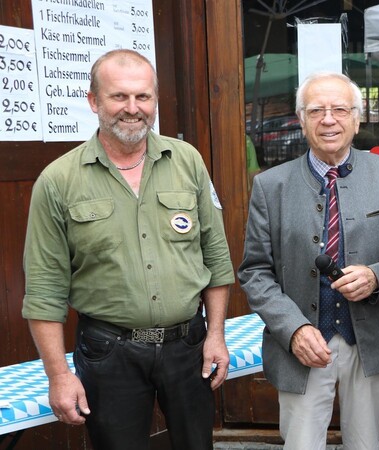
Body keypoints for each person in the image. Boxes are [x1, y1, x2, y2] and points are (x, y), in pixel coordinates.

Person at [22, 49, 234, 450]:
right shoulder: (58, 181)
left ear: (155, 100)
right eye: (119, 96)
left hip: (188, 347)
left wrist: (216, 334)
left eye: (143, 97)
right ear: (93, 101)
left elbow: (216, 260)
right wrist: (58, 375)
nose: (133, 108)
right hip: (109, 353)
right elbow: (44, 292)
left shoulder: (187, 161)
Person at [238, 72, 379, 450]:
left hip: (371, 340)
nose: (328, 119)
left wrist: (377, 276)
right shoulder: (271, 186)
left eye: (339, 109)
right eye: (316, 110)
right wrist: (294, 330)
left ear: (357, 118)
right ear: (301, 121)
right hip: (303, 345)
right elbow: (254, 272)